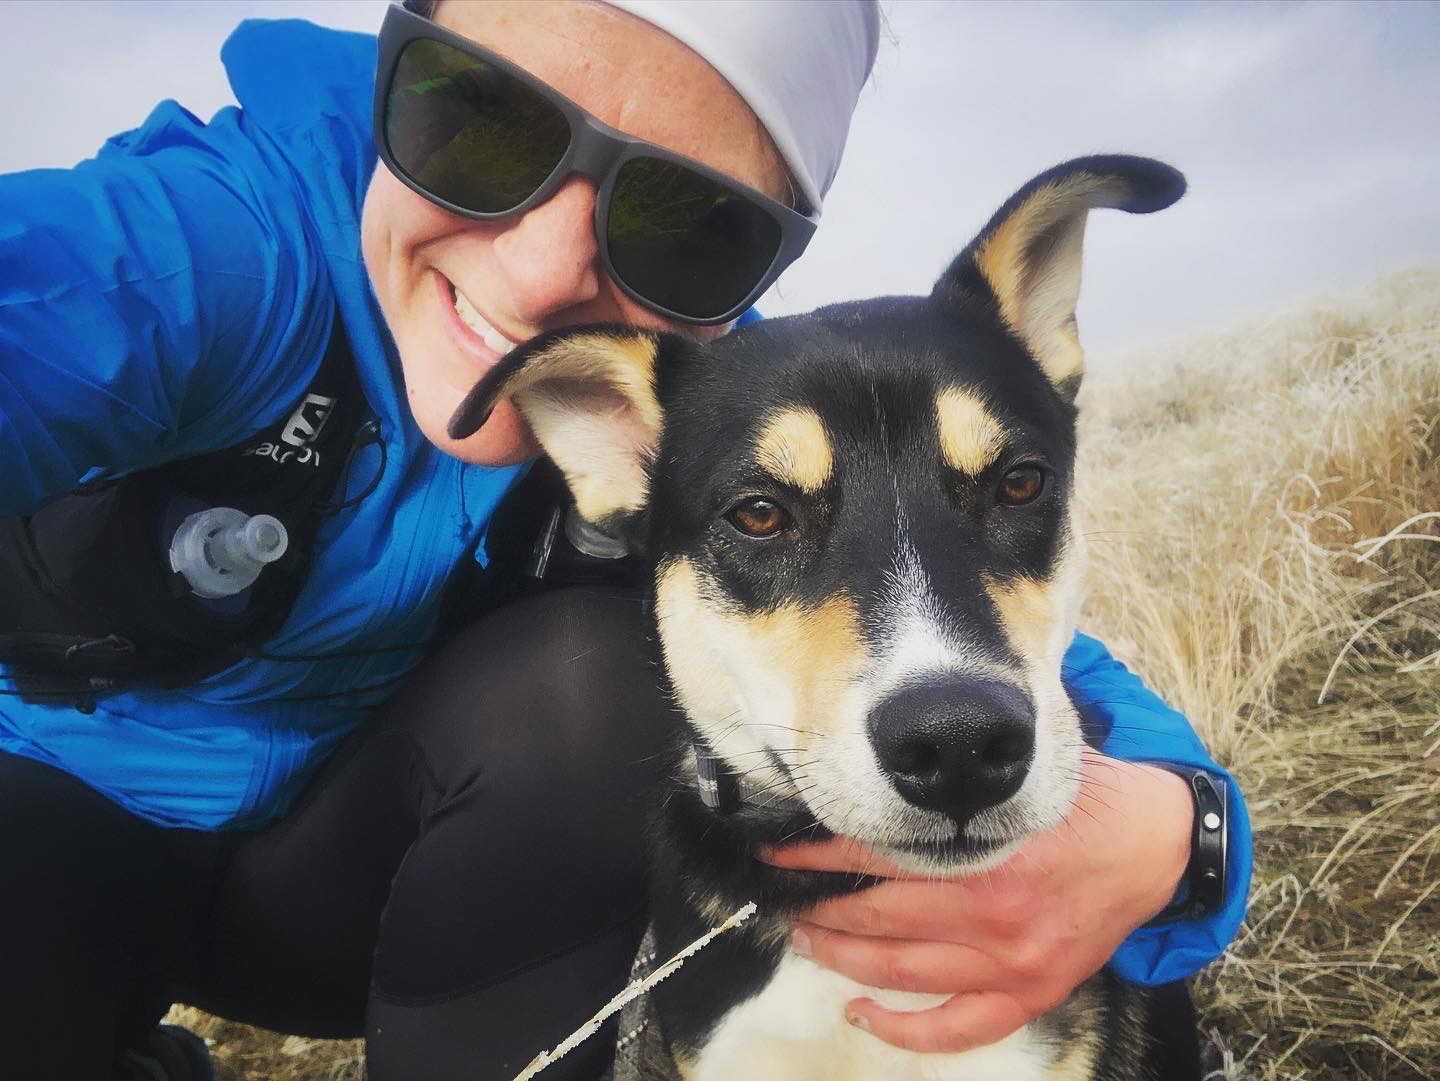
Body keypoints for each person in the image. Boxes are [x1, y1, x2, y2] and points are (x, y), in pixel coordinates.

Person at [0, 2, 1250, 1080]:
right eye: (478, 123)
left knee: (599, 694)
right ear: (395, 71)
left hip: (361, 897)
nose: (544, 270)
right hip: (52, 828)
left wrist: (1181, 833)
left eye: (683, 213)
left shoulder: (703, 400)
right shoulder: (210, 252)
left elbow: (976, 637)